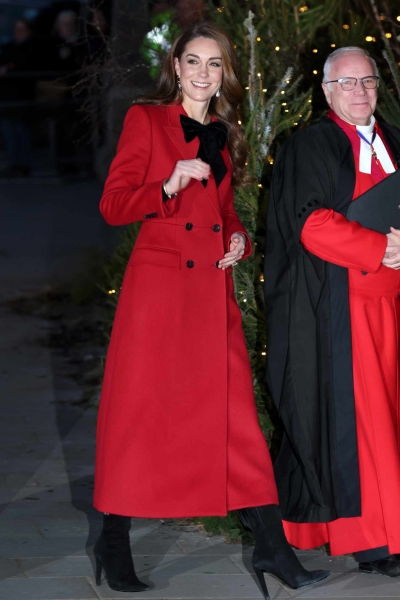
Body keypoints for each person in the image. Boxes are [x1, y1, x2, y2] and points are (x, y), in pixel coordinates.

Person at [93, 21, 330, 596]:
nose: (203, 74)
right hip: (159, 294)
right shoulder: (145, 121)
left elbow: (224, 214)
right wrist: (168, 185)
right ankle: (113, 539)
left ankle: (272, 552)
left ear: (225, 73)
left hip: (210, 296)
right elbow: (113, 205)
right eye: (193, 62)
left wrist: (238, 240)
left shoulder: (224, 131)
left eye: (214, 64)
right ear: (174, 67)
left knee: (236, 423)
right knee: (139, 416)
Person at [265, 46, 400, 577]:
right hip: (346, 307)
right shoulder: (309, 145)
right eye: (347, 83)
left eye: (367, 81)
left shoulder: (394, 138)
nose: (360, 91)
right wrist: (380, 249)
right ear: (326, 90)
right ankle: (375, 540)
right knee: (363, 421)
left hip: (394, 303)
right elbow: (309, 223)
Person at [0, 19, 36, 177]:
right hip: (8, 97)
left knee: (22, 130)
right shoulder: (9, 46)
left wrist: (9, 68)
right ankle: (13, 163)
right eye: (16, 29)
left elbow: (22, 65)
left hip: (23, 96)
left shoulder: (31, 47)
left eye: (21, 29)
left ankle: (23, 163)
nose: (18, 32)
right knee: (9, 130)